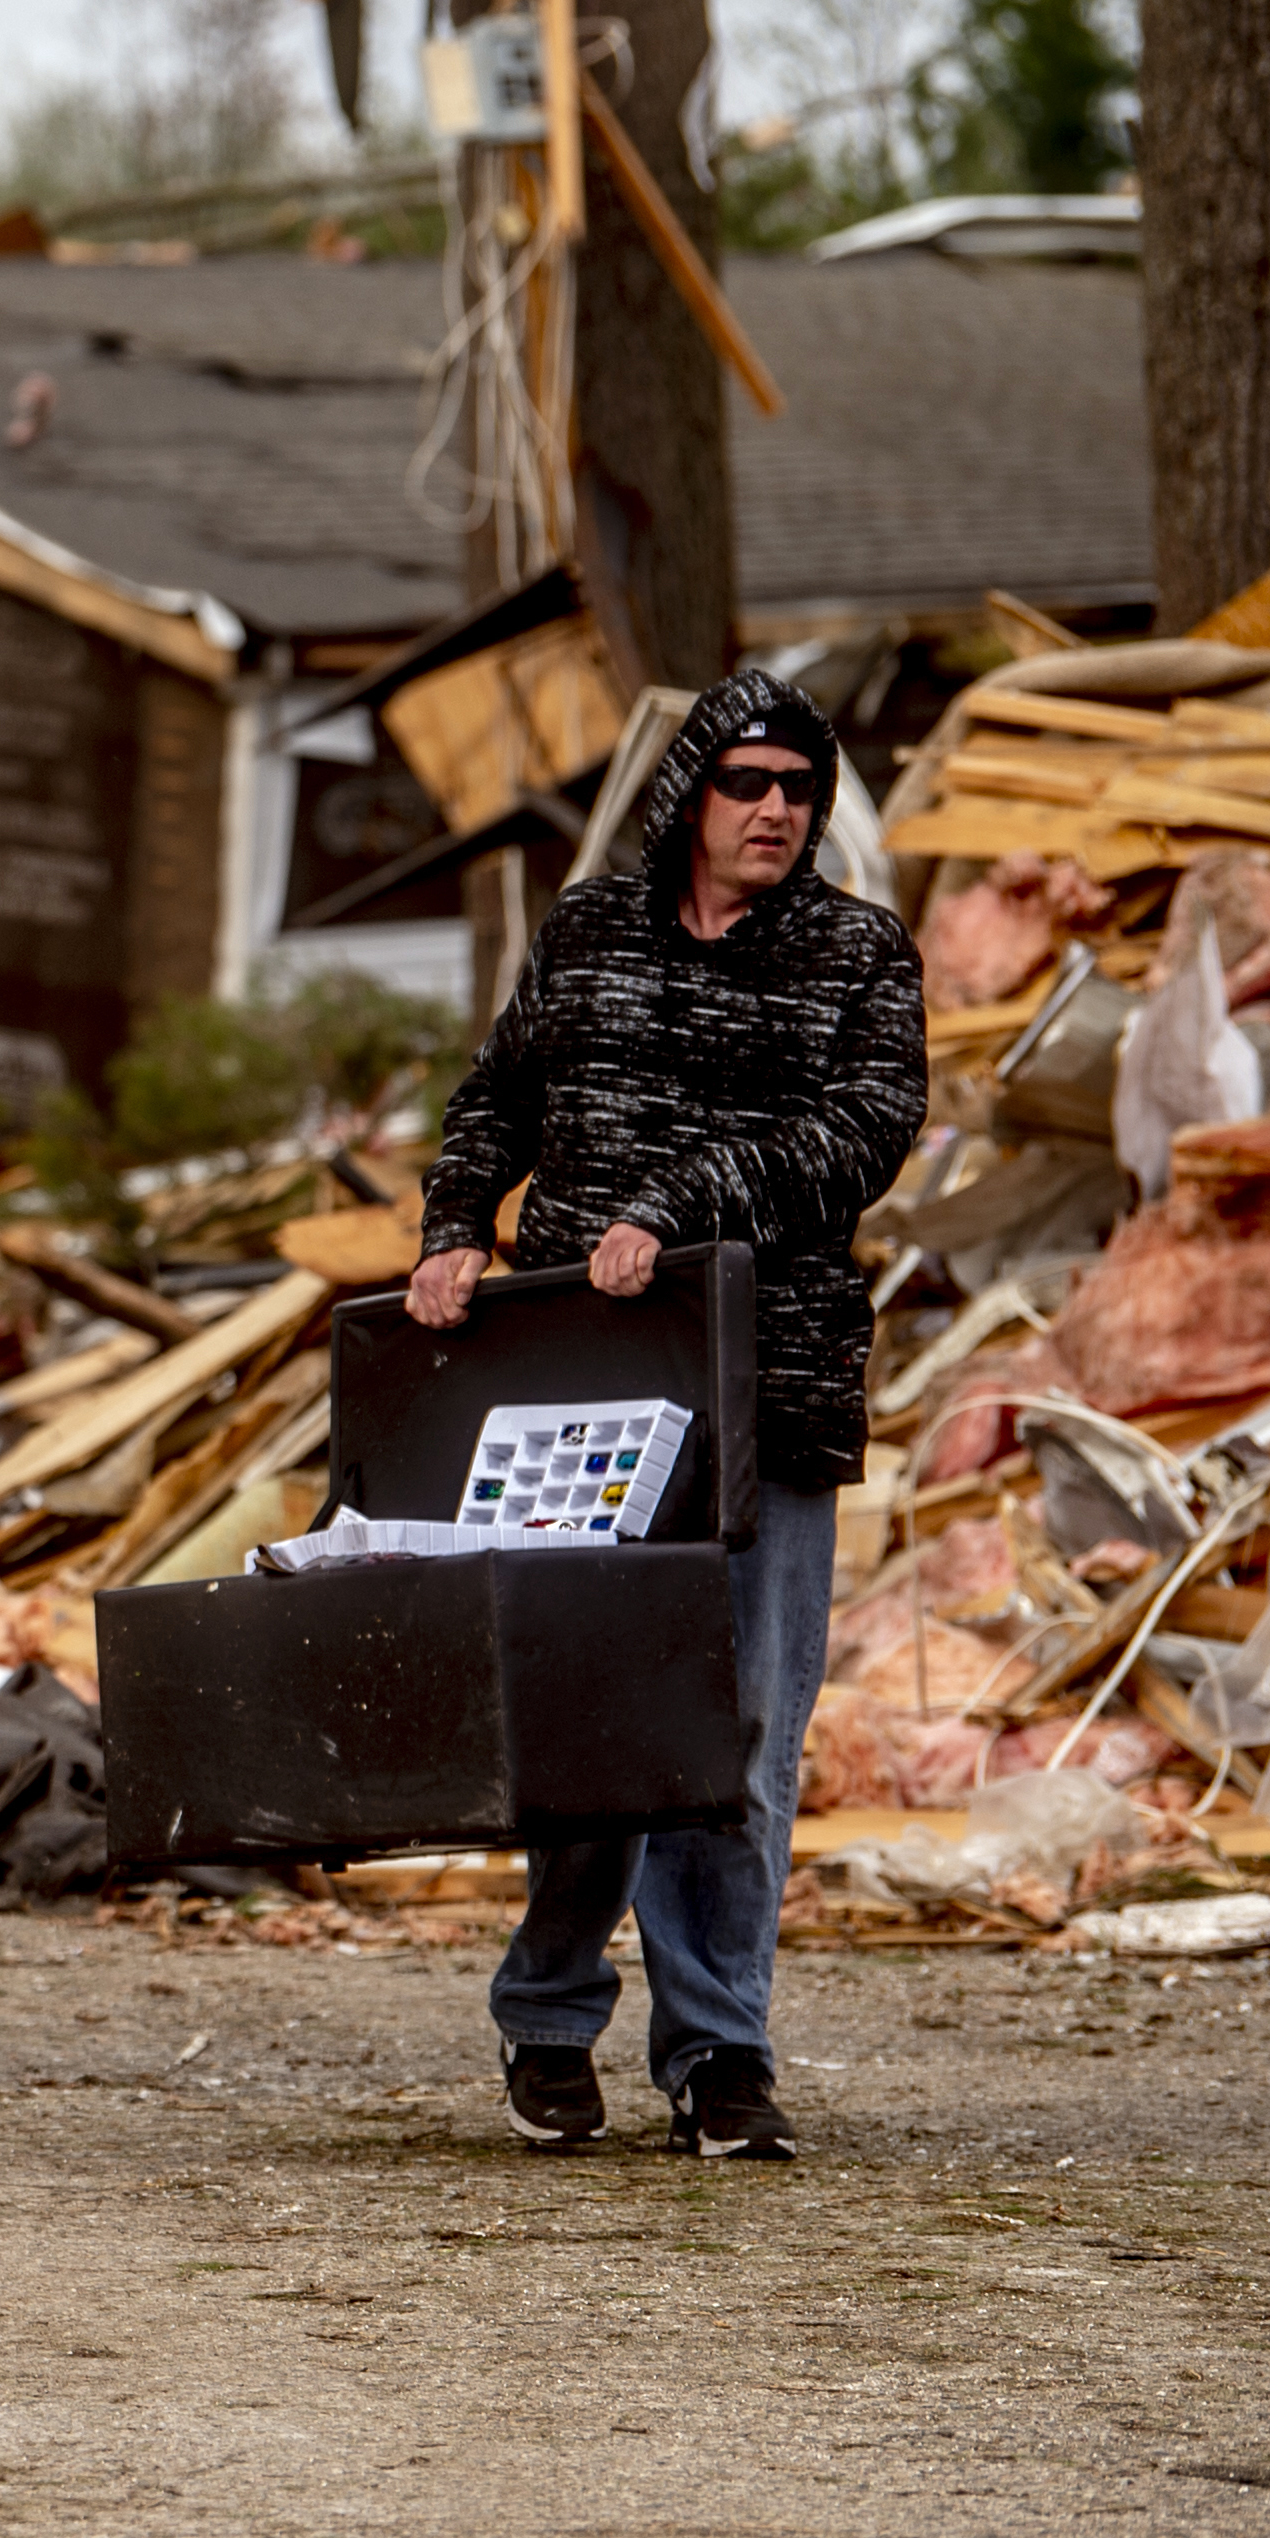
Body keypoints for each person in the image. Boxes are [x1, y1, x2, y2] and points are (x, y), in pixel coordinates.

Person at [409, 665, 923, 2161]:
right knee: (584, 1713)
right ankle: (548, 2013)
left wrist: (679, 1204)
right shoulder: (584, 930)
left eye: (796, 789)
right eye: (745, 783)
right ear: (686, 794)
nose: (774, 811)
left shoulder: (852, 954)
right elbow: (492, 1099)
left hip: (770, 1388)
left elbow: (864, 1129)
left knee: (741, 1733)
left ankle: (717, 2052)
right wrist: (454, 1224)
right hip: (581, 1389)